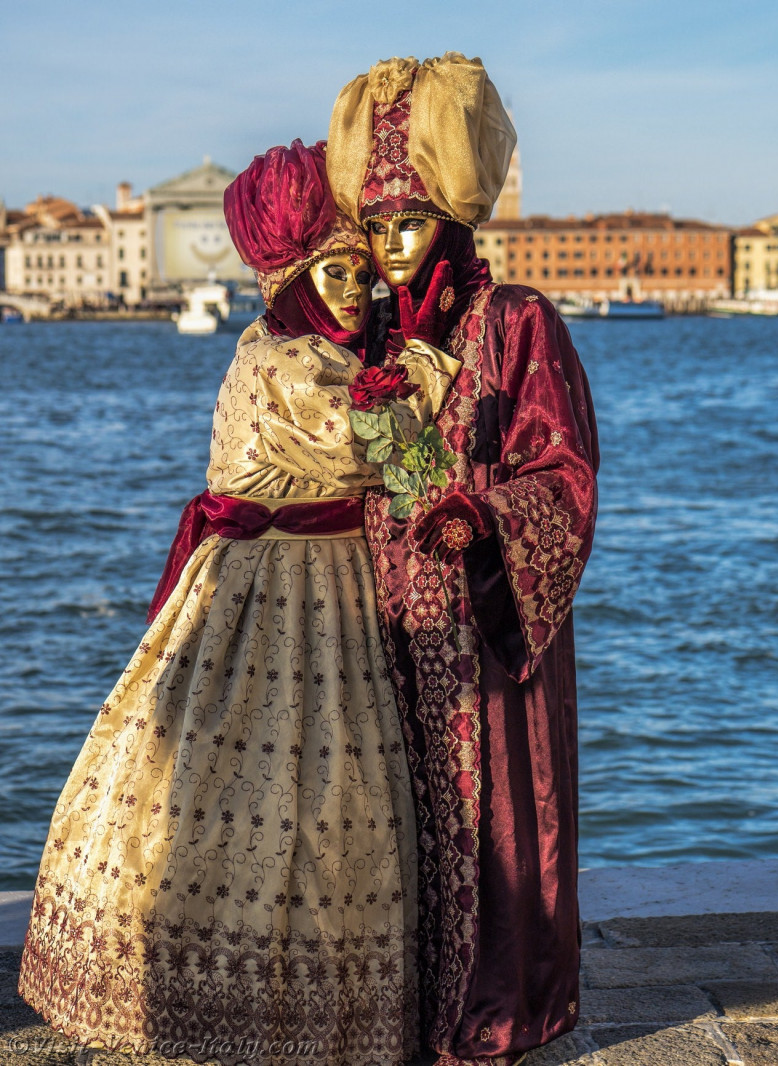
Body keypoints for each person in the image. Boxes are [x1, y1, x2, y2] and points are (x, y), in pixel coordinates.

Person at [17, 139, 460, 1066]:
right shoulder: (284, 364)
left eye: (361, 274)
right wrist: (435, 359)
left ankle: (322, 1005)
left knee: (332, 798)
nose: (353, 292)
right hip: (272, 593)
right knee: (265, 793)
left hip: (332, 585)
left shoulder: (305, 348)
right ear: (292, 278)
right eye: (333, 272)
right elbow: (392, 452)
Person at [326, 55, 600, 1066]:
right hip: (383, 635)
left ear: (447, 219)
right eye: (374, 228)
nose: (390, 252)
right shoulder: (362, 343)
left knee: (491, 827)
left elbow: (563, 476)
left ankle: (494, 1011)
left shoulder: (519, 322)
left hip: (485, 644)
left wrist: (479, 518)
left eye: (407, 225)